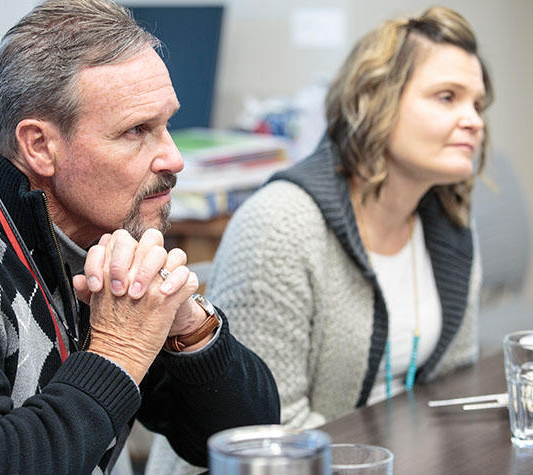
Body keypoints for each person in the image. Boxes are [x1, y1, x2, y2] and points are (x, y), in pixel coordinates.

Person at [0, 1, 279, 473]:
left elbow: (247, 440)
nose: (173, 158)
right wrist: (118, 351)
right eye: (136, 130)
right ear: (39, 146)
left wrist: (190, 328)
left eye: (166, 125)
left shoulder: (103, 241)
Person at [149, 7, 492, 470]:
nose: (473, 120)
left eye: (478, 104)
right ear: (375, 100)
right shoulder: (282, 224)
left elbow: (450, 388)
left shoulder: (448, 223)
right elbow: (267, 431)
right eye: (447, 97)